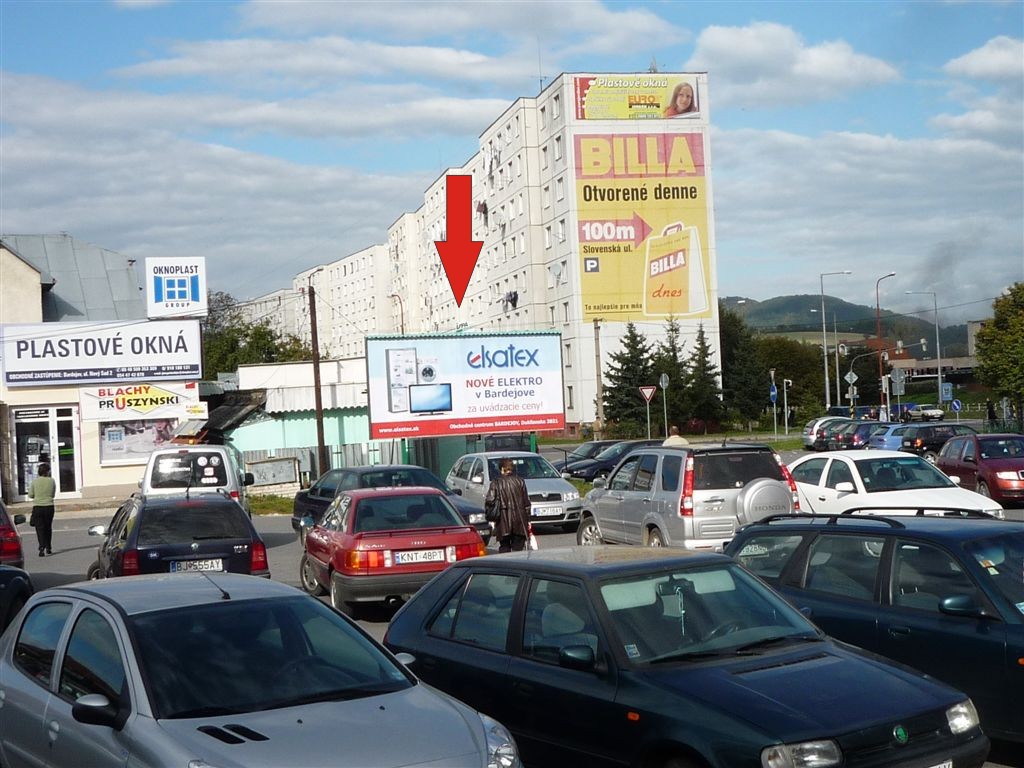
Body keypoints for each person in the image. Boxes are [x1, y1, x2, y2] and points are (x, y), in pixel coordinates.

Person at [485, 458, 531, 553]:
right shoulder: (520, 481)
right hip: (520, 521)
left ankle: (506, 567)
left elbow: (490, 501)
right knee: (518, 550)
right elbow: (526, 504)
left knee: (504, 547)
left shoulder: (496, 483)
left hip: (503, 521)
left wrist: (491, 516)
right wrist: (528, 520)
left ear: (501, 469)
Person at [28, 462, 57, 557]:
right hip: (49, 506)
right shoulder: (52, 481)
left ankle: (41, 548)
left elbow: (31, 495)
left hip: (38, 507)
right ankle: (49, 547)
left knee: (40, 528)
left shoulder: (34, 482)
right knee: (48, 527)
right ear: (47, 471)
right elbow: (52, 494)